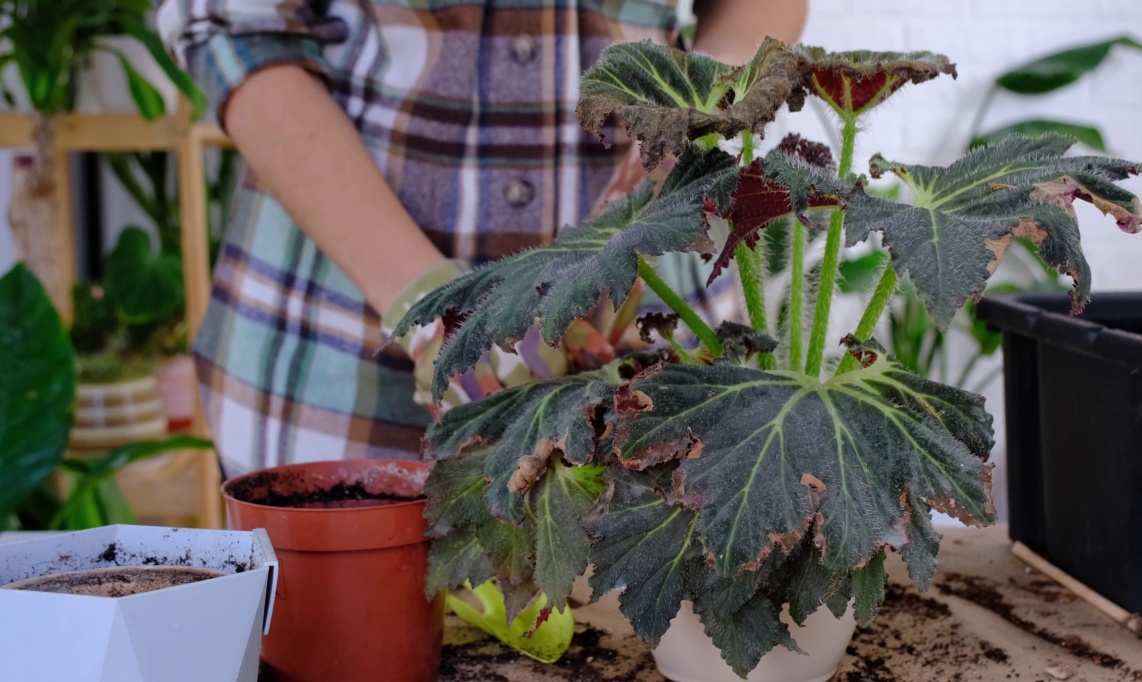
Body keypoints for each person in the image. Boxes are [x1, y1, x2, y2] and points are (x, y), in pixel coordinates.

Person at [158, 0, 809, 477]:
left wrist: (684, 117)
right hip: (338, 355)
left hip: (650, 344)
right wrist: (419, 297)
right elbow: (230, 24)